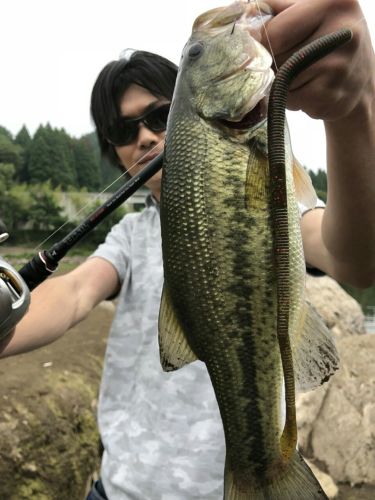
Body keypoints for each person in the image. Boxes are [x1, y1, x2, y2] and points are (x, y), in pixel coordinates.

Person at [1, 1, 374, 498]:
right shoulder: (132, 237)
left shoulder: (279, 190)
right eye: (122, 130)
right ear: (113, 150)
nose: (147, 137)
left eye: (159, 115)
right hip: (115, 488)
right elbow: (71, 295)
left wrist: (355, 111)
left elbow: (355, 260)